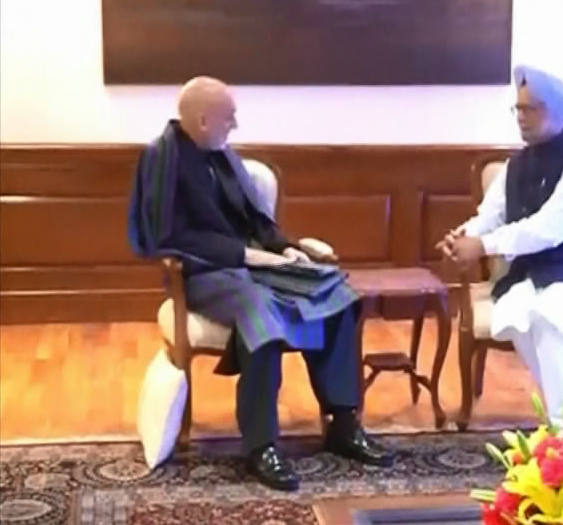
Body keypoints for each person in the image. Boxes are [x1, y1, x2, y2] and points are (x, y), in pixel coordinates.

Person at [128, 76, 394, 492]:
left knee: (337, 297)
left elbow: (255, 219)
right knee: (262, 317)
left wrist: (285, 248)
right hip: (203, 275)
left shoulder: (222, 155)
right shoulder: (162, 157)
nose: (235, 125)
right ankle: (261, 445)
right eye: (229, 117)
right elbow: (168, 236)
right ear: (203, 120)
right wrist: (247, 255)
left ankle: (343, 423)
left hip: (253, 270)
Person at [437, 65, 563, 425]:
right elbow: (490, 215)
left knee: (551, 317)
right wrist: (462, 237)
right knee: (516, 317)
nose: (521, 116)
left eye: (531, 109)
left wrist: (482, 246)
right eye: (518, 108)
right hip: (530, 276)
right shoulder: (516, 164)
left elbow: (548, 229)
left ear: (561, 114)